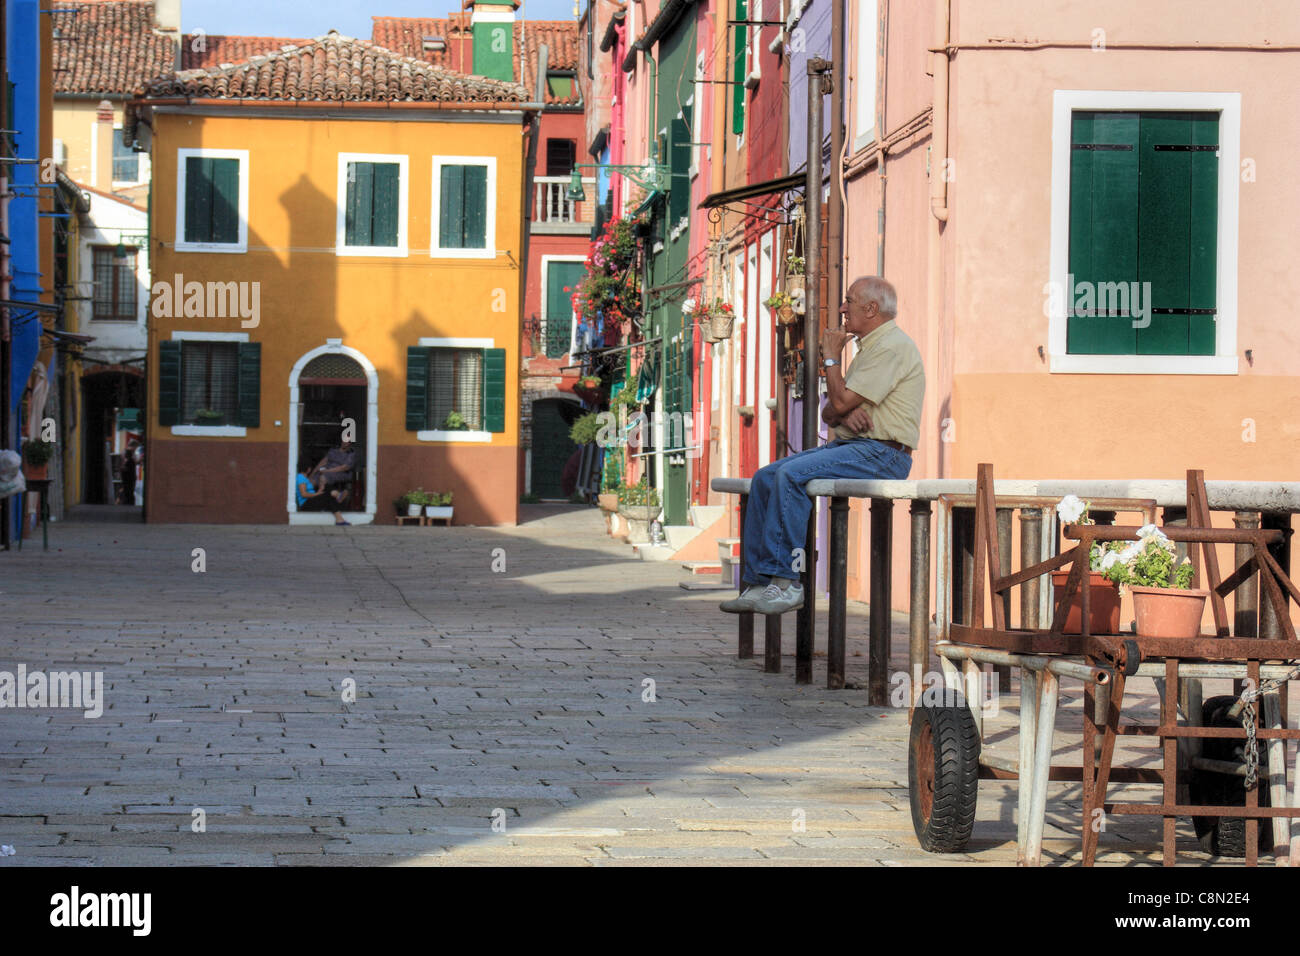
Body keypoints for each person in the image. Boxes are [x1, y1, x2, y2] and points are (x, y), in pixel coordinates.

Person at [720, 275, 925, 616]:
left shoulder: (891, 346)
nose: (843, 308)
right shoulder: (872, 347)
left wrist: (831, 359)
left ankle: (785, 583)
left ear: (871, 308)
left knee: (790, 474)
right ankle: (758, 582)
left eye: (849, 301)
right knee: (765, 477)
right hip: (856, 446)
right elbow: (831, 411)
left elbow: (839, 402)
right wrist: (844, 410)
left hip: (884, 453)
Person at [295, 456, 350, 525]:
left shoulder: (304, 478)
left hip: (310, 501)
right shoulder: (300, 477)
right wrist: (317, 494)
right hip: (306, 505)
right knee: (328, 495)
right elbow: (304, 494)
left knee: (327, 489)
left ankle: (339, 517)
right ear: (308, 469)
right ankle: (338, 497)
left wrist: (320, 490)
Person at [312, 438, 356, 503]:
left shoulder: (351, 454)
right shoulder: (333, 450)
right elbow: (323, 461)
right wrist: (313, 473)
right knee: (311, 481)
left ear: (350, 444)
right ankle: (337, 494)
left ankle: (321, 503)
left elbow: (344, 468)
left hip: (340, 473)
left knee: (323, 477)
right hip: (326, 471)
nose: (345, 443)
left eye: (348, 442)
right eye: (344, 440)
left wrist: (327, 471)